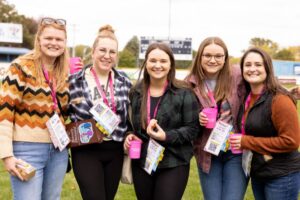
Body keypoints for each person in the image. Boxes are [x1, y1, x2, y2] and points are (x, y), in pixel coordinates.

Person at [0, 17, 70, 199]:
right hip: (26, 150)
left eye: (59, 39)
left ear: (64, 43)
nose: (53, 43)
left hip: (58, 151)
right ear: (39, 39)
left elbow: (66, 110)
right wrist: (6, 155)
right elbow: (4, 113)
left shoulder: (63, 72)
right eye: (49, 38)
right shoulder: (20, 67)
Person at [124, 42, 200, 200]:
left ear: (171, 64)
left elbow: (193, 130)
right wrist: (129, 135)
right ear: (146, 64)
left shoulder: (184, 92)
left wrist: (166, 136)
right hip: (143, 162)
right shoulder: (136, 92)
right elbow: (130, 124)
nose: (157, 65)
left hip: (174, 161)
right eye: (153, 61)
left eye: (163, 61)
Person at [68, 25, 132, 200]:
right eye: (102, 50)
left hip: (115, 150)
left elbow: (131, 117)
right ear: (93, 52)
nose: (107, 55)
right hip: (86, 149)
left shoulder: (124, 81)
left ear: (116, 55)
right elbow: (60, 112)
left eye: (112, 52)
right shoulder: (74, 81)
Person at [230, 47, 300, 200]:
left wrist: (246, 141)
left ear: (267, 67)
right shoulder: (247, 97)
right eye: (247, 65)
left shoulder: (279, 99)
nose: (252, 69)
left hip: (281, 174)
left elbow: (291, 141)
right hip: (260, 172)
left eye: (258, 64)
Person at [185, 37, 248, 200]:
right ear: (200, 56)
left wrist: (289, 94)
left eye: (218, 56)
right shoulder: (190, 83)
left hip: (235, 151)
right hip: (207, 152)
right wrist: (196, 118)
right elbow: (183, 117)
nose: (213, 60)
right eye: (207, 55)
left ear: (225, 58)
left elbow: (263, 87)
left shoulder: (237, 75)